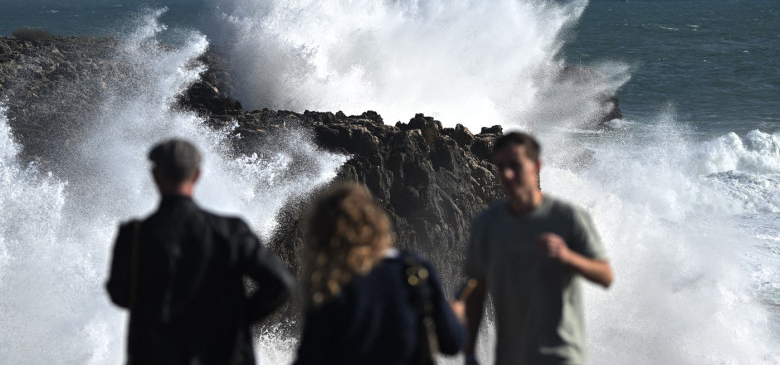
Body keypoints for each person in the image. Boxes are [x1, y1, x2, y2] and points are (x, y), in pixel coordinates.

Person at [106, 138, 295, 365]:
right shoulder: (230, 231)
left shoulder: (134, 236)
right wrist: (236, 319)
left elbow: (120, 295)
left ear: (155, 176)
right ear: (196, 176)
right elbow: (281, 283)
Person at [463, 132, 613, 365]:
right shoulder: (487, 223)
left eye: (515, 166)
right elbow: (476, 291)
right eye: (501, 166)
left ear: (536, 166)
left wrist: (567, 256)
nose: (507, 174)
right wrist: (470, 352)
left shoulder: (568, 217)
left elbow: (604, 275)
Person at [294, 182, 466, 364]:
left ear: (321, 235)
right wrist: (454, 314)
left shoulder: (332, 287)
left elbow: (309, 359)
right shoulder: (413, 270)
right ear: (376, 222)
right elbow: (452, 343)